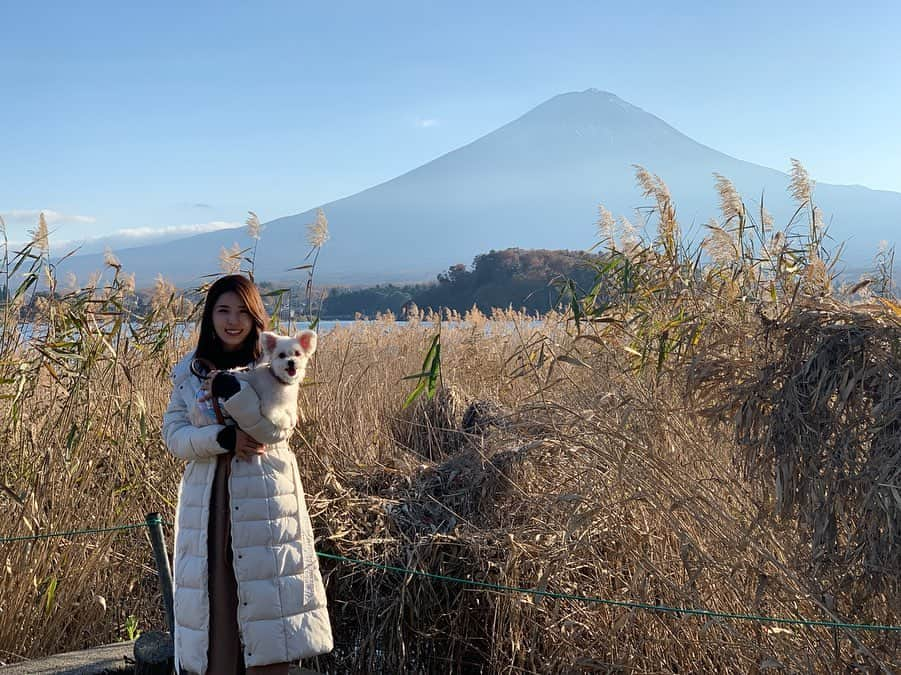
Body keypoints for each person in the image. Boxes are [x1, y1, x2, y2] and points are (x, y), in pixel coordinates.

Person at [162, 274, 333, 675]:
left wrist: (234, 398)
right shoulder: (188, 372)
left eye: (242, 311)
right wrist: (223, 438)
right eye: (223, 310)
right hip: (209, 505)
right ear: (210, 317)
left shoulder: (275, 362)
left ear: (256, 316)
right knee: (216, 602)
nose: (233, 320)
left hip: (265, 502)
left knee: (267, 603)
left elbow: (277, 428)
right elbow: (174, 435)